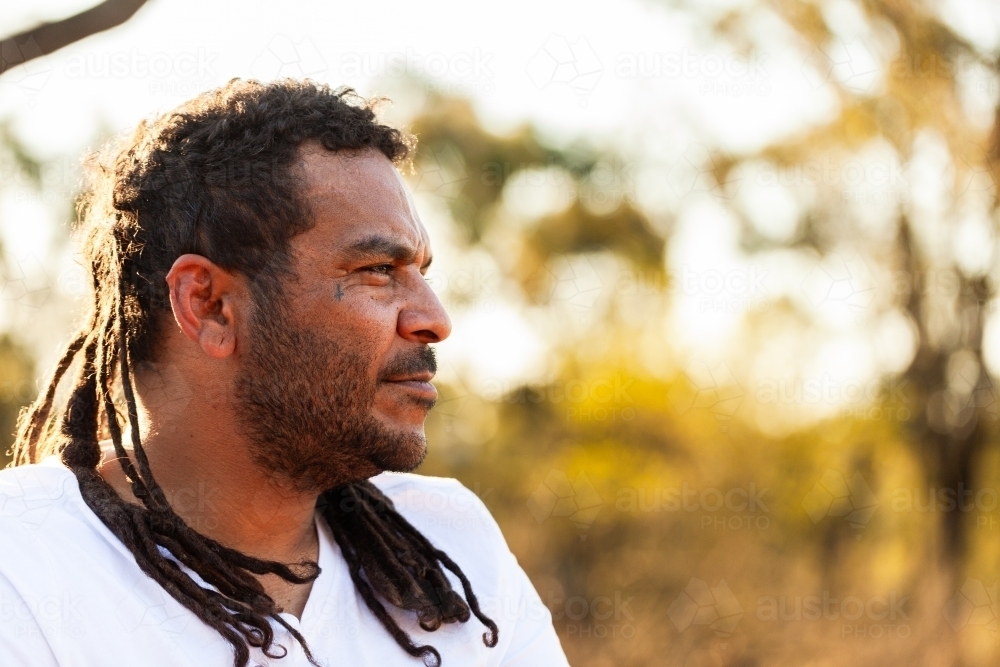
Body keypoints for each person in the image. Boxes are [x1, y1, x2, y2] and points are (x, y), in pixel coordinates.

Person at [0, 78, 569, 667]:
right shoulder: (21, 563)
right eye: (378, 269)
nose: (434, 320)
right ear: (209, 306)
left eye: (423, 272)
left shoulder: (446, 539)